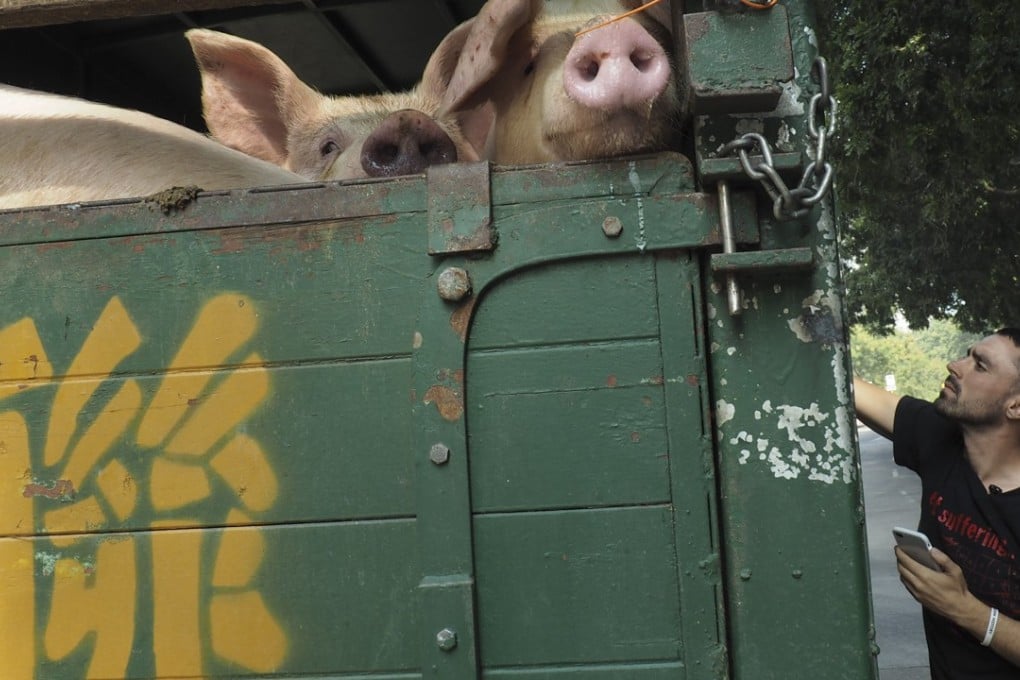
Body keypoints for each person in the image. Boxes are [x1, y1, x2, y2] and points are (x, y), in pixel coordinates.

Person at [854, 328, 1020, 678]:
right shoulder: (939, 436)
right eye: (967, 354)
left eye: (980, 366)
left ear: (1016, 405)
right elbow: (845, 384)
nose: (955, 365)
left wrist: (966, 610)